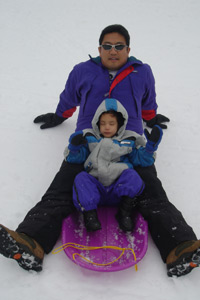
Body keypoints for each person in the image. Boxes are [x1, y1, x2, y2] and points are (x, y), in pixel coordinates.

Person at [0, 24, 200, 277]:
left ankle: (180, 248)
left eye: (119, 46)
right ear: (99, 48)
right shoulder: (82, 71)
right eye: (107, 46)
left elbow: (148, 100)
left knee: (153, 195)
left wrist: (149, 118)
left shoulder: (142, 72)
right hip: (88, 142)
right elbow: (69, 97)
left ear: (128, 49)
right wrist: (60, 116)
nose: (113, 51)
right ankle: (31, 243)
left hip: (130, 142)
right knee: (60, 191)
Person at [65, 98, 162, 232]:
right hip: (95, 188)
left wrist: (149, 149)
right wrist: (74, 149)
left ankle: (124, 212)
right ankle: (90, 215)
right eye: (103, 123)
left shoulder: (129, 140)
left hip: (119, 190)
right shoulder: (89, 138)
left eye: (111, 123)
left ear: (120, 124)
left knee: (132, 175)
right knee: (81, 178)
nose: (107, 127)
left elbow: (141, 160)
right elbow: (76, 159)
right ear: (97, 123)